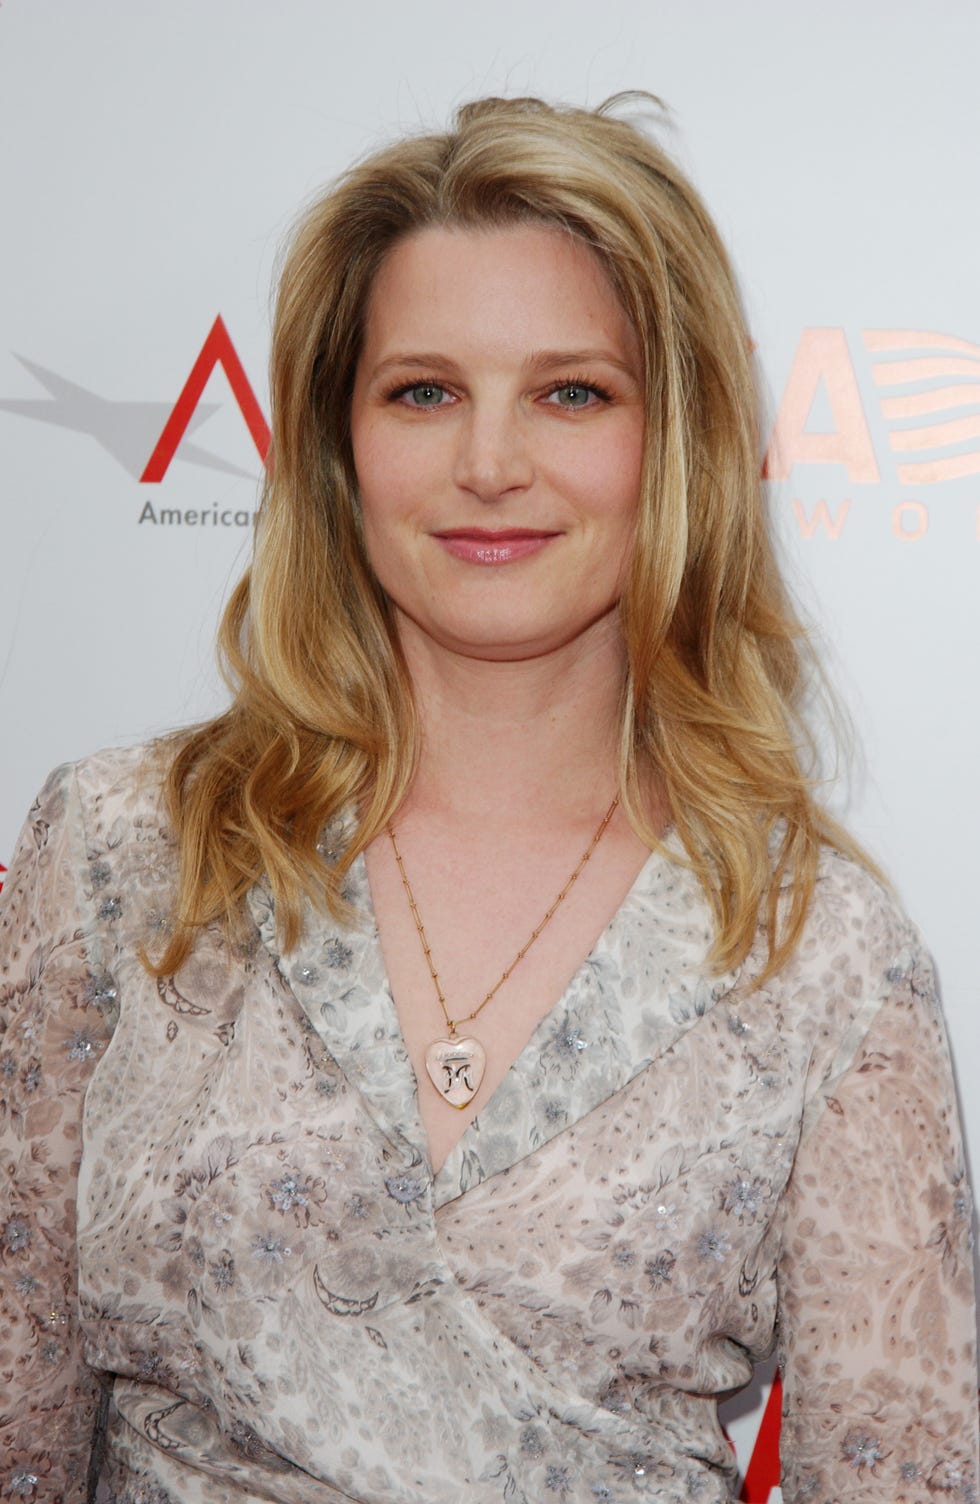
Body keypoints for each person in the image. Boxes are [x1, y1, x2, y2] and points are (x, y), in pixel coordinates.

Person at [0, 94, 976, 1504]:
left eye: (572, 391)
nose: (489, 464)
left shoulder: (818, 957)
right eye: (424, 390)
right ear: (338, 443)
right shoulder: (123, 853)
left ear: (677, 442)